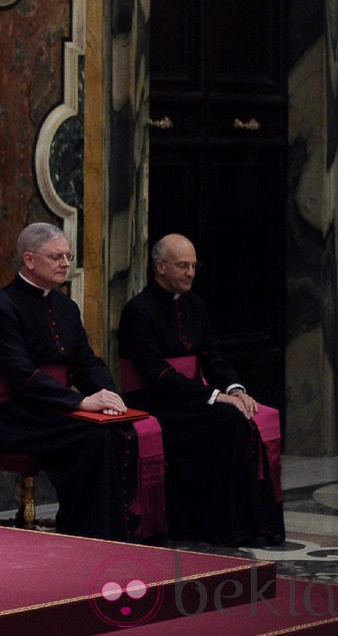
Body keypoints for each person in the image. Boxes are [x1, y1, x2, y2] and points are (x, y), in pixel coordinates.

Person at [0, 222, 143, 541]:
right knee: (92, 437)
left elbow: (85, 362)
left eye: (68, 255)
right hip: (12, 417)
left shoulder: (65, 306)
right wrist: (79, 402)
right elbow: (20, 374)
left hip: (51, 414)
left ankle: (112, 532)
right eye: (56, 257)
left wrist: (107, 395)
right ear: (29, 259)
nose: (66, 263)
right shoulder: (2, 307)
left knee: (116, 430)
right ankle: (84, 534)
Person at [117, 233, 285, 547]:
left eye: (194, 266)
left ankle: (252, 522)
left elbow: (212, 356)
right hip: (156, 400)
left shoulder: (195, 304)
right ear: (161, 267)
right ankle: (225, 526)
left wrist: (234, 389)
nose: (191, 273)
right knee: (227, 420)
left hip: (191, 398)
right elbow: (157, 373)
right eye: (183, 266)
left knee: (240, 414)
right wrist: (212, 396)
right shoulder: (137, 311)